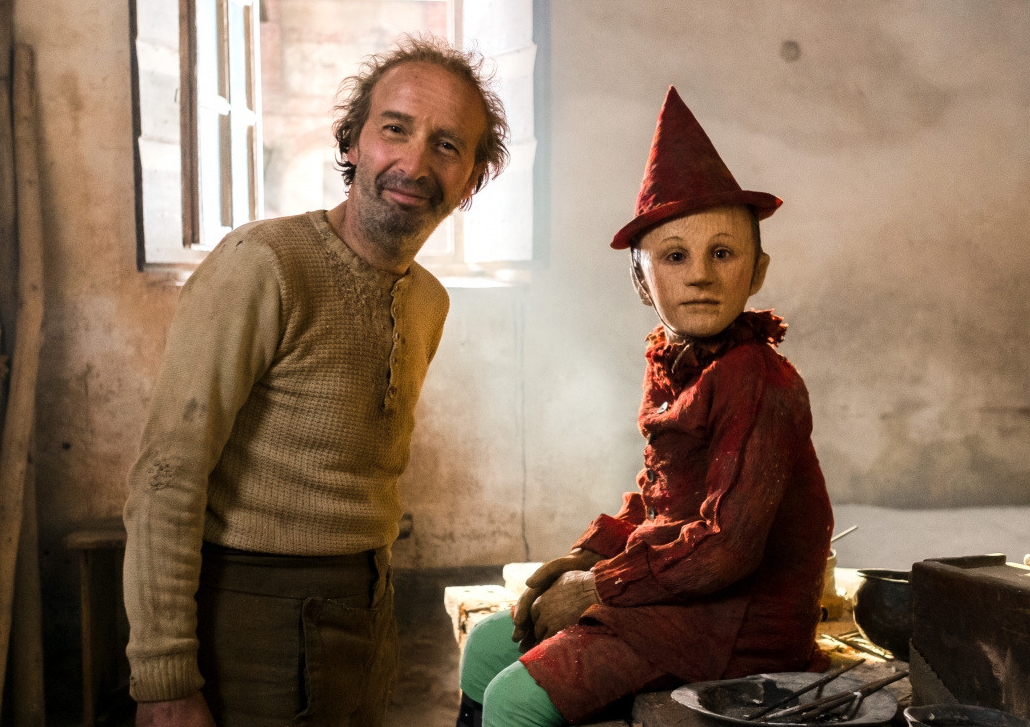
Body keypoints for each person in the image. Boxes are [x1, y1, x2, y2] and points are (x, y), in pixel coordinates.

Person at [122, 35, 509, 727]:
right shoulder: (264, 263)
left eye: (448, 145)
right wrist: (164, 677)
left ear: (472, 178)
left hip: (369, 611)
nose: (414, 163)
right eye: (395, 129)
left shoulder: (428, 300)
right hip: (251, 623)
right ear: (353, 141)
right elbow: (166, 475)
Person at [455, 87, 833, 727]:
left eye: (722, 253)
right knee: (489, 644)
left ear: (757, 271)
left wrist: (600, 586)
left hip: (737, 627)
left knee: (514, 699)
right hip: (682, 599)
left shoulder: (758, 379)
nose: (701, 275)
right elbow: (666, 499)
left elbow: (726, 548)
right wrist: (589, 554)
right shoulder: (679, 361)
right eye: (675, 256)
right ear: (640, 279)